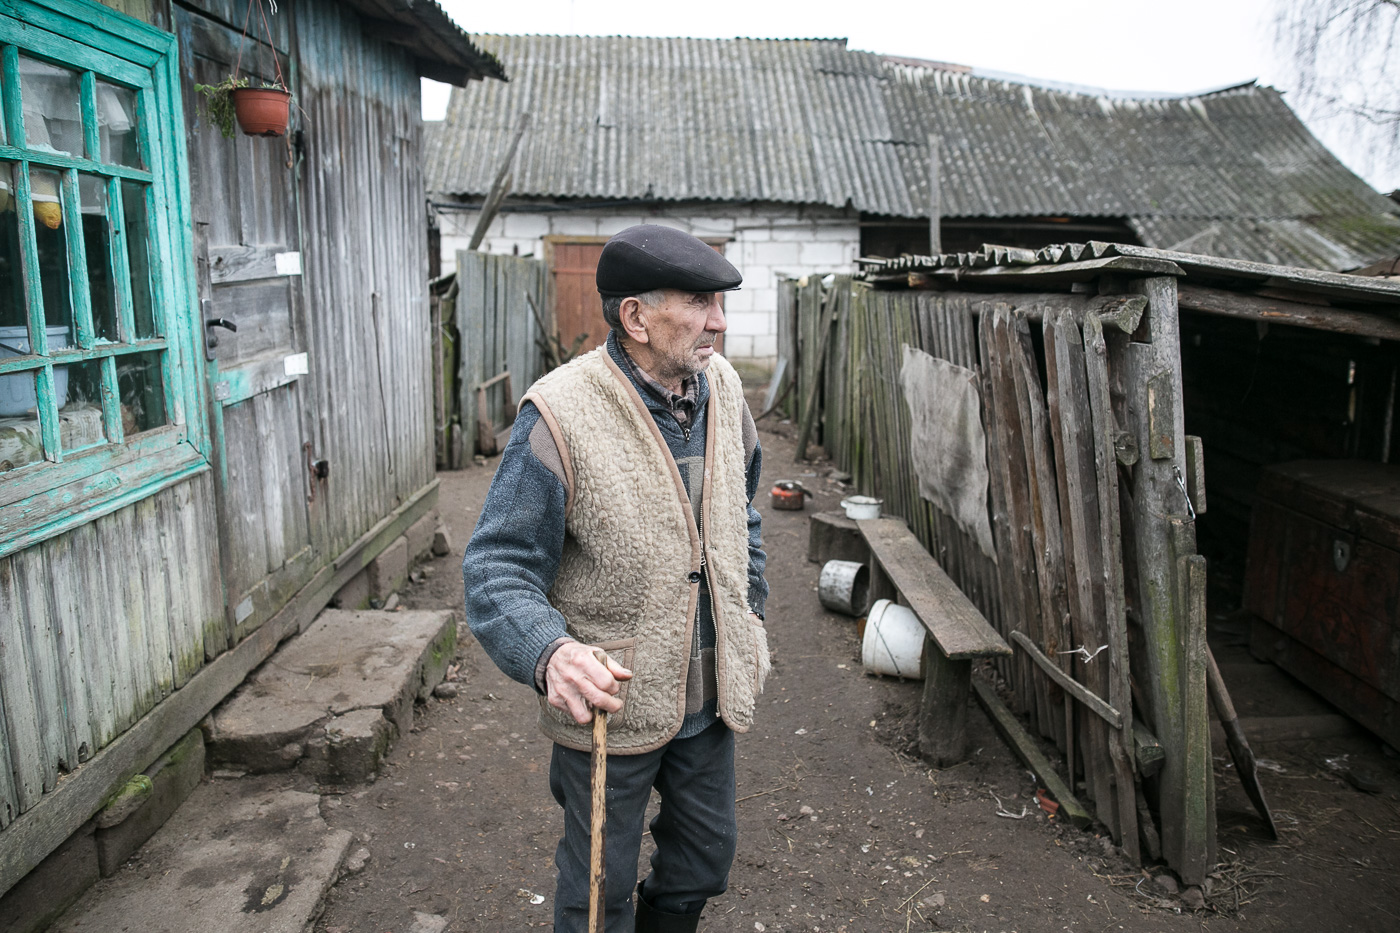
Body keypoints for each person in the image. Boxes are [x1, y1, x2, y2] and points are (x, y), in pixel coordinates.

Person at [462, 224, 770, 933]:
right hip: (611, 703)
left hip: (710, 691)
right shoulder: (560, 414)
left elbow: (741, 509)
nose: (719, 322)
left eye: (719, 303)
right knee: (599, 889)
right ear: (635, 316)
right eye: (699, 303)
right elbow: (496, 566)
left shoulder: (724, 390)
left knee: (703, 863)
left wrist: (749, 609)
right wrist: (550, 652)